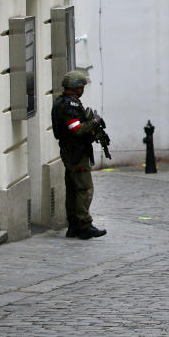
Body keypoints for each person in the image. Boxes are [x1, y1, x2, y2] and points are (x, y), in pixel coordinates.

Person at [52, 69, 107, 240]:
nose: (82, 89)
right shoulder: (70, 105)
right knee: (84, 188)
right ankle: (84, 225)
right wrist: (95, 122)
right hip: (76, 152)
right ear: (76, 88)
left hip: (70, 151)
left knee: (73, 189)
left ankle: (74, 226)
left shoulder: (61, 102)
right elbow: (76, 129)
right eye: (81, 86)